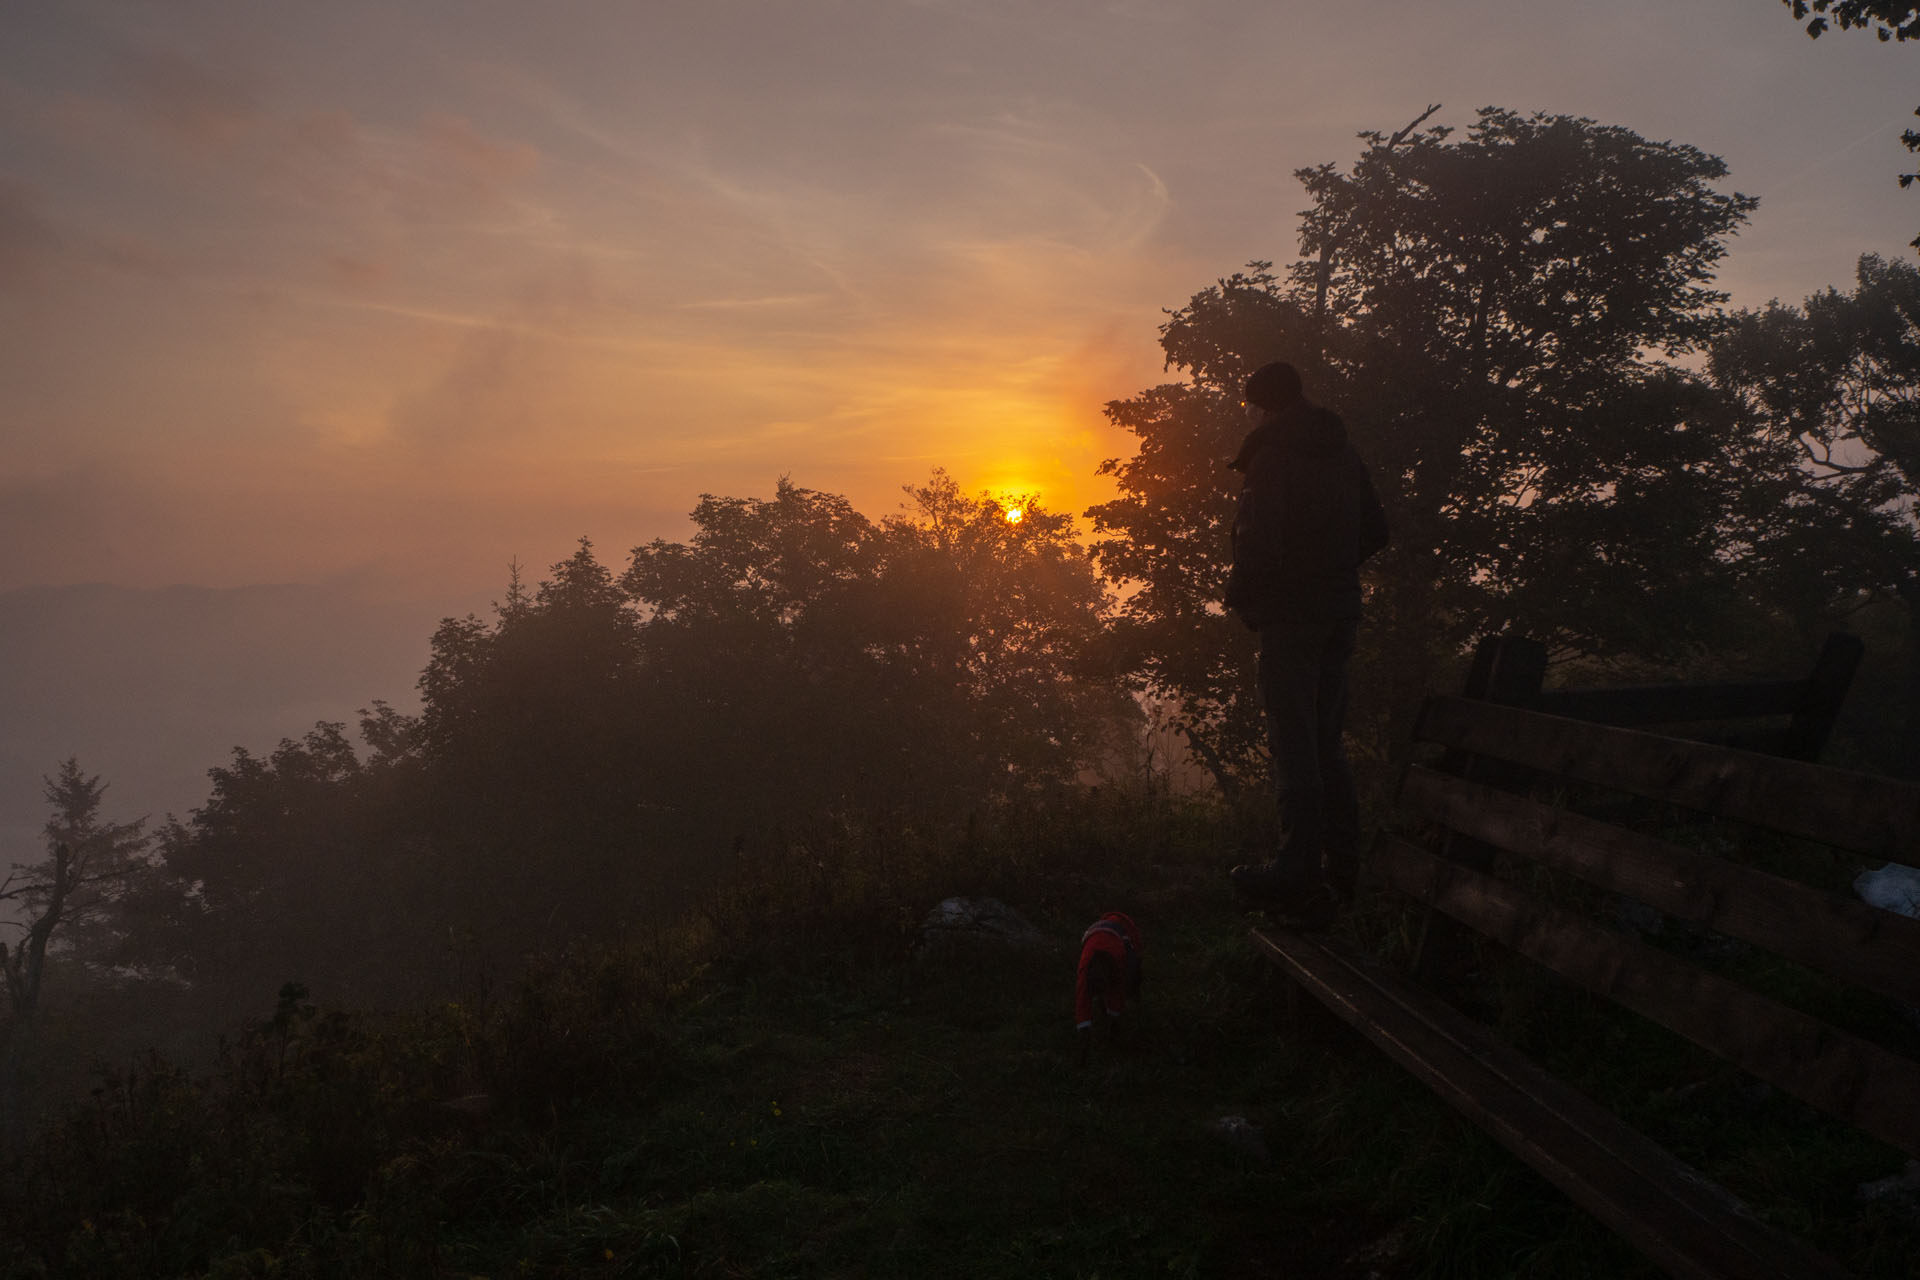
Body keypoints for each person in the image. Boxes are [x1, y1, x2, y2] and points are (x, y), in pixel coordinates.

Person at [1223, 361, 1389, 912]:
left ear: (1264, 405)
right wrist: (1334, 571)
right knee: (1325, 740)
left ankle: (1296, 867)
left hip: (1291, 617)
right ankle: (1344, 865)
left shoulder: (1273, 455)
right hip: (1340, 612)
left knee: (1293, 738)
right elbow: (1376, 529)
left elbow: (1258, 541)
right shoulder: (1342, 452)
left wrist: (1247, 598)